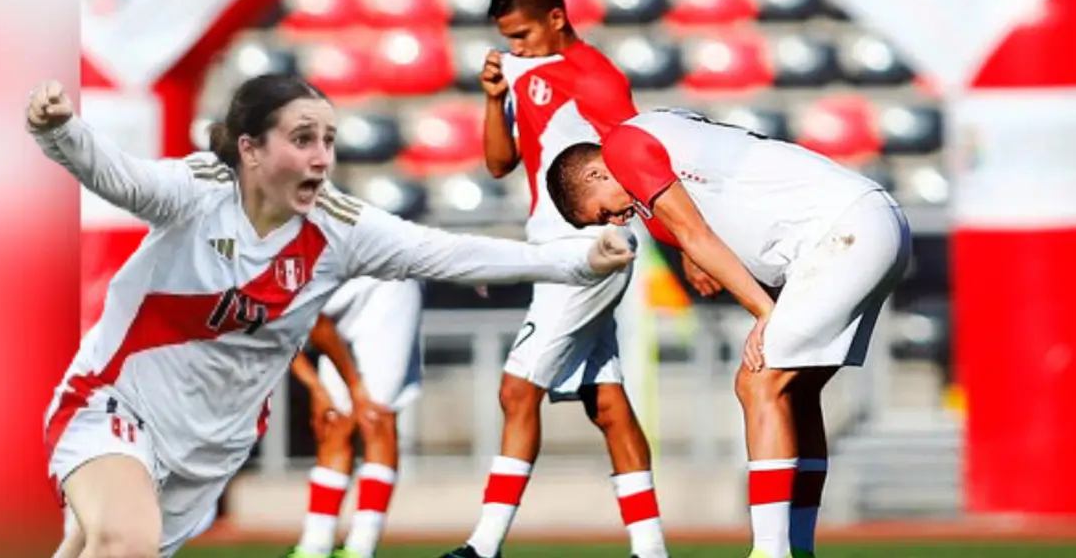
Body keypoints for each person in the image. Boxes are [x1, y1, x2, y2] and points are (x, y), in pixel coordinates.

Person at [32, 73, 635, 558]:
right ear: (249, 148)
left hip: (210, 449)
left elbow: (447, 253)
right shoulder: (196, 193)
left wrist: (579, 258)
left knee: (93, 544)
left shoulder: (341, 228)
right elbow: (121, 177)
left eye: (328, 139)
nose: (322, 157)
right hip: (115, 405)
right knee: (123, 544)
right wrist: (61, 131)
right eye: (302, 138)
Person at [545, 108, 912, 558]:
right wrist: (687, 252)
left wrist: (763, 312)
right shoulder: (656, 138)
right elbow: (699, 186)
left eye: (603, 212)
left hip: (841, 230)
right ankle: (797, 547)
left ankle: (770, 551)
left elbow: (694, 230)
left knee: (758, 380)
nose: (616, 222)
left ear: (598, 171)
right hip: (869, 220)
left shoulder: (622, 145)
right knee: (796, 392)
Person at [438, 0, 669, 558]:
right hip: (555, 249)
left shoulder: (597, 77)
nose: (513, 47)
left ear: (557, 19)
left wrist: (684, 245)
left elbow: (642, 162)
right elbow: (497, 163)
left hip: (588, 249)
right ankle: (651, 552)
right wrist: (494, 99)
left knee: (518, 391)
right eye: (508, 37)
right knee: (608, 404)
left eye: (522, 35)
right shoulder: (524, 72)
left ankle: (483, 546)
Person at [287, 274, 423, 558]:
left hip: (384, 281)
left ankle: (362, 547)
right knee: (334, 422)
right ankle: (315, 546)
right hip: (328, 296)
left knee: (375, 417)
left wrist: (355, 388)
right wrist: (316, 389)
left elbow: (315, 324)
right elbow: (273, 341)